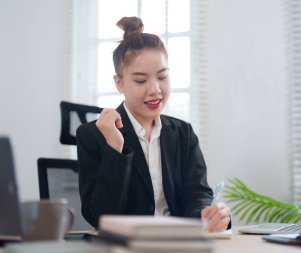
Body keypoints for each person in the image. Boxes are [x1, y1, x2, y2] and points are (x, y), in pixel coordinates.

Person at [76, 16, 230, 232]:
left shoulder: (183, 133)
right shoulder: (92, 135)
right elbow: (99, 217)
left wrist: (209, 215)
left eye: (162, 76)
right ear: (119, 83)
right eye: (141, 80)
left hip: (177, 244)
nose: (155, 89)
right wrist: (115, 148)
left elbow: (197, 194)